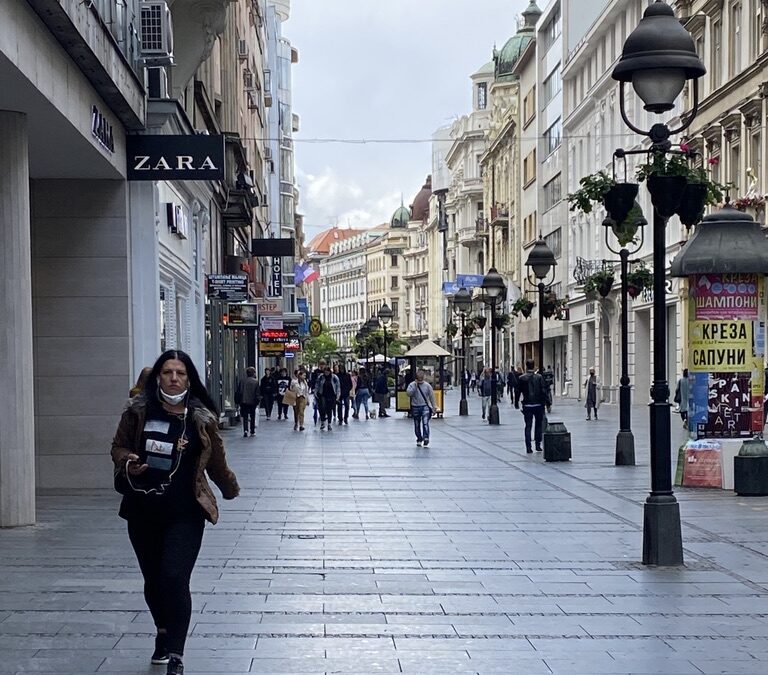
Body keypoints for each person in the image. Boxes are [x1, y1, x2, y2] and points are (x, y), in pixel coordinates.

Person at [111, 350, 239, 675]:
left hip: (186, 512)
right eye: (167, 372)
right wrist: (129, 461)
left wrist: (229, 487)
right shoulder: (138, 411)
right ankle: (163, 632)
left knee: (174, 576)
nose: (173, 378)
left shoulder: (201, 417)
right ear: (158, 377)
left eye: (180, 373)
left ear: (188, 378)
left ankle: (177, 655)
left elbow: (216, 460)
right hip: (143, 509)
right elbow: (118, 446)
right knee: (153, 580)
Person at [515, 359, 551, 453]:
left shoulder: (522, 378)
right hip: (538, 404)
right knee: (538, 425)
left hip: (527, 405)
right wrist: (547, 403)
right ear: (534, 366)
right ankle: (538, 444)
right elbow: (543, 391)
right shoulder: (539, 377)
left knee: (528, 425)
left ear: (526, 366)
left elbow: (518, 391)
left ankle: (528, 446)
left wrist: (516, 402)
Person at [406, 369, 437, 447]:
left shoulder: (427, 385)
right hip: (415, 406)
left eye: (421, 378)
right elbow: (408, 393)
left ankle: (426, 438)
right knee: (417, 424)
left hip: (425, 406)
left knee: (425, 422)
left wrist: (434, 407)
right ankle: (419, 438)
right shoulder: (412, 385)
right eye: (419, 378)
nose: (420, 380)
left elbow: (431, 396)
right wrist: (415, 387)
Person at [235, 367, 260, 437]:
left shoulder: (242, 381)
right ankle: (252, 431)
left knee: (245, 416)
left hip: (244, 401)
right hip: (252, 402)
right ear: (253, 373)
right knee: (252, 416)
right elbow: (257, 393)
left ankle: (245, 430)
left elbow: (239, 391)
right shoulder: (255, 382)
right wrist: (257, 401)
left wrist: (239, 400)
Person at [314, 365, 340, 431]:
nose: (326, 373)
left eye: (327, 371)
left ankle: (329, 424)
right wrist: (315, 393)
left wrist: (338, 395)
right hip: (322, 395)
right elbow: (317, 385)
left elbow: (338, 387)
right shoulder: (321, 377)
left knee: (329, 409)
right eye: (325, 371)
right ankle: (323, 422)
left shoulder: (334, 377)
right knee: (322, 408)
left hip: (331, 396)